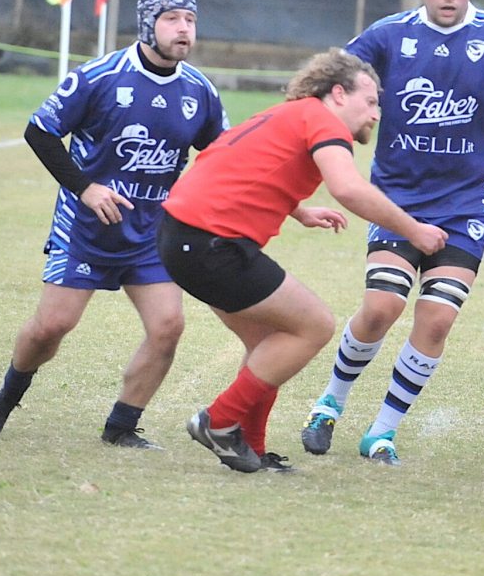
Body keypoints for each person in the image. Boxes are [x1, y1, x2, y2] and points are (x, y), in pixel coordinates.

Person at [298, 0, 484, 466]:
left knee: (436, 318)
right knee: (381, 307)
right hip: (398, 200)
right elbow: (330, 86)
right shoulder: (388, 35)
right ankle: (330, 402)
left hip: (467, 204)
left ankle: (382, 431)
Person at [161, 50, 448, 472]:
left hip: (179, 235)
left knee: (269, 342)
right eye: (369, 102)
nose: (376, 114)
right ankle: (219, 421)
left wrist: (299, 209)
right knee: (315, 324)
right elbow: (348, 189)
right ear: (337, 93)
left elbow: (237, 161)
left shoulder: (293, 114)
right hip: (211, 241)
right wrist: (414, 230)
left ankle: (250, 447)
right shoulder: (323, 121)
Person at [0, 0, 228, 448]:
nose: (184, 29)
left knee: (168, 326)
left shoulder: (200, 90)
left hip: (152, 232)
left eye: (190, 20)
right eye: (172, 19)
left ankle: (121, 427)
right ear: (147, 24)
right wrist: (86, 188)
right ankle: (5, 398)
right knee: (53, 326)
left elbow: (224, 156)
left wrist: (287, 206)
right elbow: (41, 131)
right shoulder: (99, 76)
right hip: (86, 228)